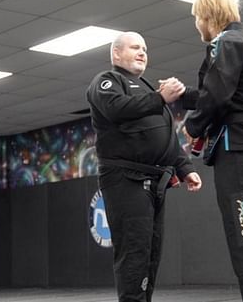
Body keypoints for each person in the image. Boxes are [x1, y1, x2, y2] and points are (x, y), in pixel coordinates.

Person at [86, 31, 202, 302]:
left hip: (155, 181)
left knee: (151, 253)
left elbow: (164, 136)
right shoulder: (107, 81)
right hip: (125, 179)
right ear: (116, 53)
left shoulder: (149, 89)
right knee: (134, 253)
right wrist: (161, 98)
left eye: (145, 49)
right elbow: (117, 108)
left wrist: (185, 168)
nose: (142, 53)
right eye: (135, 47)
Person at [180, 0, 243, 301]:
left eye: (197, 18)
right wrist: (183, 97)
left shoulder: (226, 43)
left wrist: (192, 127)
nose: (197, 25)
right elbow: (228, 93)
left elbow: (217, 97)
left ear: (208, 16)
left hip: (238, 152)